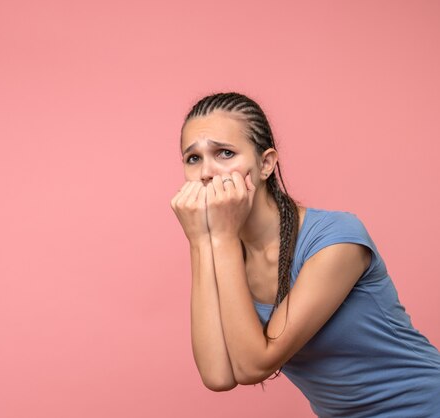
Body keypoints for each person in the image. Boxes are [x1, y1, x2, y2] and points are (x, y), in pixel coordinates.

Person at [170, 92, 440, 417]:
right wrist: (199, 241)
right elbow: (218, 375)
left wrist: (222, 236)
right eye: (193, 158)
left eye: (225, 153)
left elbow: (253, 366)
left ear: (266, 163)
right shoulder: (224, 252)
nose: (206, 173)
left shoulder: (338, 239)